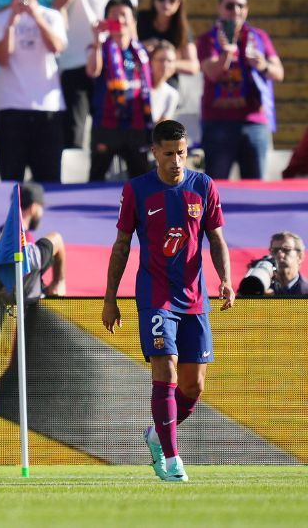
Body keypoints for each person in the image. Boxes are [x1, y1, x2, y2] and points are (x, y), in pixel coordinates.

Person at [102, 118, 235, 483]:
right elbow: (121, 245)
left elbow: (217, 240)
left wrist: (226, 279)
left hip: (194, 298)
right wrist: (110, 298)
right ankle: (173, 460)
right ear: (154, 153)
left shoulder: (204, 185)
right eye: (168, 154)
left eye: (181, 153)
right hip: (155, 296)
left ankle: (157, 435)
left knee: (193, 386)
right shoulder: (137, 190)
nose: (176, 161)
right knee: (167, 371)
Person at [51, 0, 138, 151]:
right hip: (75, 64)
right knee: (75, 132)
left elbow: (132, 33)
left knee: (108, 135)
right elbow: (56, 5)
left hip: (114, 70)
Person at [0, 0, 67, 182]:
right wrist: (12, 19)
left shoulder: (52, 17)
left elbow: (56, 47)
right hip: (12, 109)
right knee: (11, 183)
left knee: (49, 180)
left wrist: (35, 15)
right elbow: (2, 58)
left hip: (48, 109)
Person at [196, 0, 284, 180]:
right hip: (218, 123)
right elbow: (212, 73)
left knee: (256, 190)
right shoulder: (208, 39)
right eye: (230, 5)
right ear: (219, 8)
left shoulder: (259, 37)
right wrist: (226, 54)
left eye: (240, 5)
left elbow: (279, 73)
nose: (236, 10)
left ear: (247, 9)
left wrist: (263, 66)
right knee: (216, 190)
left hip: (253, 123)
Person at [85, 0, 154, 182]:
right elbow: (93, 70)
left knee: (142, 180)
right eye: (114, 15)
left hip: (136, 124)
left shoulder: (140, 52)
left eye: (124, 15)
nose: (120, 20)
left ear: (133, 21)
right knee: (97, 178)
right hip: (107, 125)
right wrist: (97, 40)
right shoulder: (100, 47)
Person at [136, 0, 199, 84]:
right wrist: (144, 46)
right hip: (141, 78)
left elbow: (194, 66)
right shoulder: (141, 20)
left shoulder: (182, 28)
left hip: (168, 82)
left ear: (179, 3)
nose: (166, 3)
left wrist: (165, 60)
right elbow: (126, 51)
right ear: (154, 0)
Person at [147, 39, 181, 124]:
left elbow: (161, 128)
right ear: (151, 62)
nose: (165, 65)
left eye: (170, 61)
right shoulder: (139, 87)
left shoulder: (172, 94)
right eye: (161, 60)